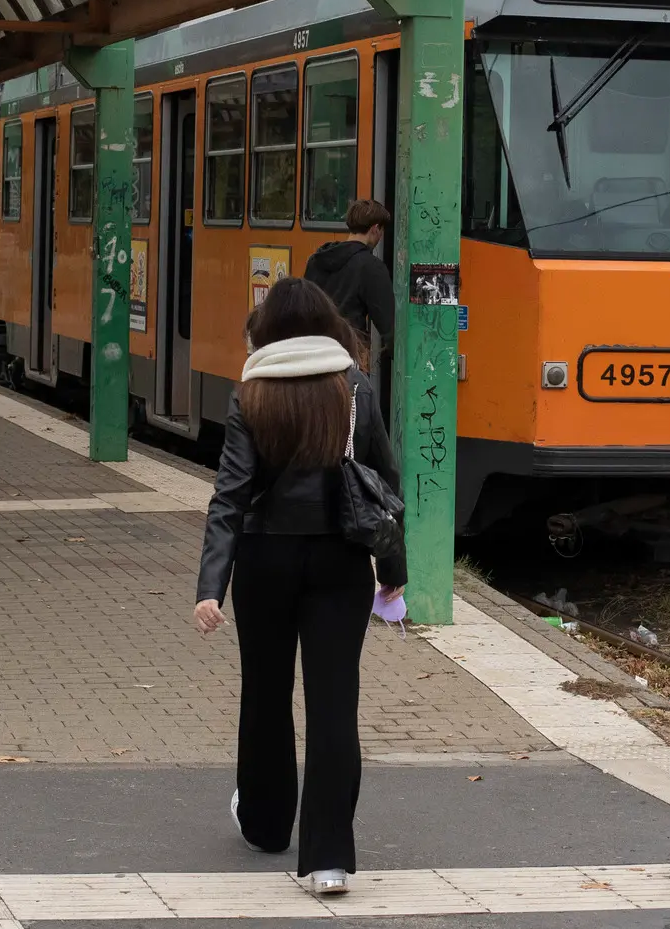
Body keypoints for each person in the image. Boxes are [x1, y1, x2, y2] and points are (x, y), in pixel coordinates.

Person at [194, 277, 406, 896]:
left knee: (264, 694)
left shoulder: (252, 393)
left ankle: (265, 823)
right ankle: (329, 859)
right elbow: (387, 490)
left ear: (269, 332)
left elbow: (228, 497)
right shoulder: (357, 389)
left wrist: (212, 586)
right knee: (334, 705)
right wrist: (392, 576)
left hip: (264, 564)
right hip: (341, 565)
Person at [303, 200, 393, 372]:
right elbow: (387, 325)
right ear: (375, 228)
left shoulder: (316, 260)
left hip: (313, 356)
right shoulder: (371, 267)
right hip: (348, 358)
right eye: (381, 231)